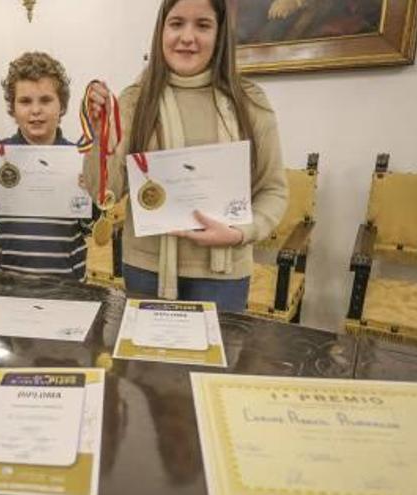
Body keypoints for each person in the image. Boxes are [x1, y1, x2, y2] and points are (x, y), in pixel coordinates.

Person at [83, 0, 288, 312]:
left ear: (220, 34)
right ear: (161, 30)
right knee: (146, 362)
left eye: (202, 25)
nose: (187, 37)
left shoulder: (250, 101)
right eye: (177, 23)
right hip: (146, 269)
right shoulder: (134, 101)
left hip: (224, 275)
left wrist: (238, 234)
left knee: (213, 361)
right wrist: (99, 137)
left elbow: (273, 190)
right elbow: (105, 191)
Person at [0, 52, 94, 278]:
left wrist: (90, 192)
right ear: (13, 108)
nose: (35, 110)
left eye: (45, 100)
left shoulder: (77, 158)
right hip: (9, 287)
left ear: (61, 105)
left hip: (68, 287)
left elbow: (87, 226)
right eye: (25, 101)